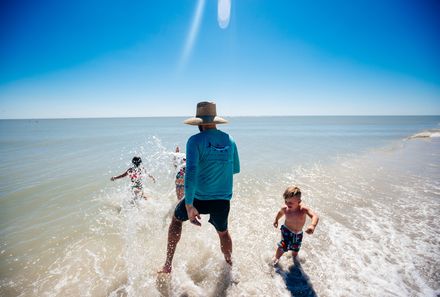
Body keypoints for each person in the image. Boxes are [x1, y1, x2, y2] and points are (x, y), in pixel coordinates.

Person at [160, 101, 240, 273]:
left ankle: (167, 265)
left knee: (175, 220)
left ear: (199, 123)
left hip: (199, 198)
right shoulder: (230, 139)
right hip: (222, 199)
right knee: (224, 233)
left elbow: (191, 172)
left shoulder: (195, 140)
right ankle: (230, 266)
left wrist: (189, 205)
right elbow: (235, 169)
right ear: (215, 121)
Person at [273, 186, 319, 265]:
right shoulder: (285, 209)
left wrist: (312, 225)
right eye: (286, 201)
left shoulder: (303, 209)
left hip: (298, 234)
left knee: (295, 249)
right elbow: (280, 213)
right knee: (283, 245)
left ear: (299, 201)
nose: (287, 204)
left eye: (290, 202)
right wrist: (276, 220)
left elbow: (315, 216)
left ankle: (294, 259)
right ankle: (275, 259)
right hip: (286, 231)